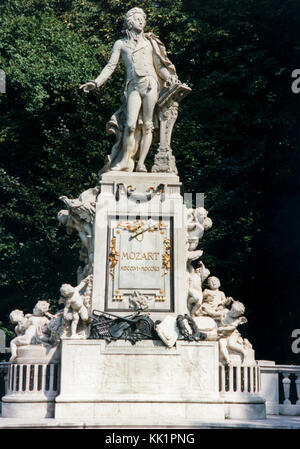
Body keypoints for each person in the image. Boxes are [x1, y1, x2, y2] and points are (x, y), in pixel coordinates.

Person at [80, 7, 178, 173]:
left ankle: (141, 163)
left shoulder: (150, 42)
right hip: (132, 85)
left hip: (150, 84)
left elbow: (160, 66)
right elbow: (110, 66)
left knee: (148, 125)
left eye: (143, 19)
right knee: (130, 125)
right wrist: (96, 82)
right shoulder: (121, 44)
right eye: (138, 18)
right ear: (129, 21)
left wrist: (168, 77)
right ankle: (126, 161)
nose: (142, 21)